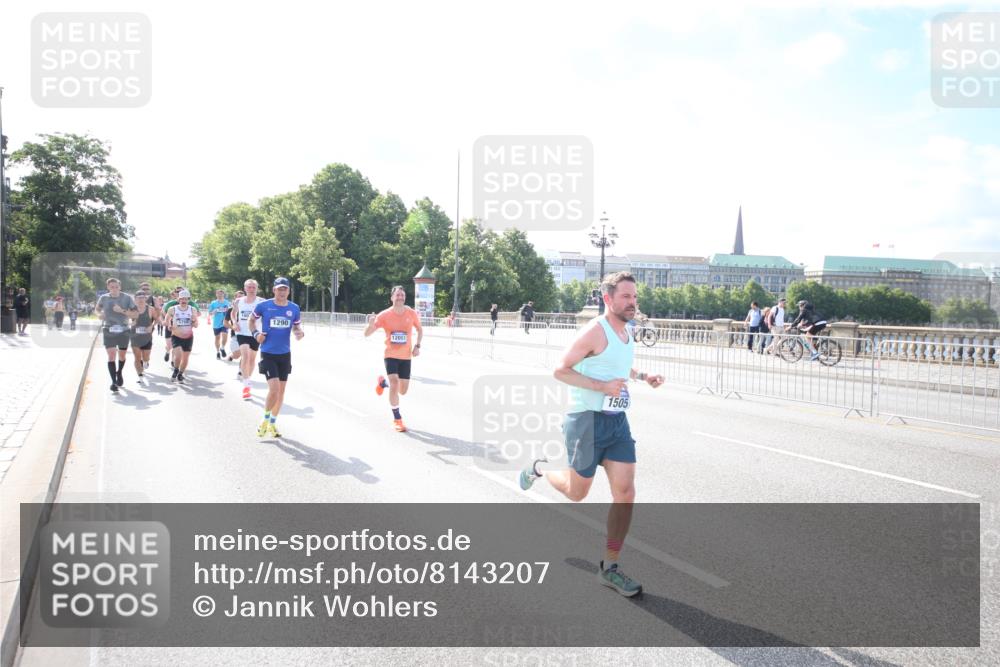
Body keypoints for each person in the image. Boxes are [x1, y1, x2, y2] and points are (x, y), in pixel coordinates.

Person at [518, 272, 664, 597]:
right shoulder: (593, 331)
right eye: (626, 297)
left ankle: (609, 568)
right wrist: (600, 387)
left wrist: (643, 375)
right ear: (608, 299)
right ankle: (540, 467)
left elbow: (615, 368)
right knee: (576, 493)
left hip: (616, 422)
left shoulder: (628, 331)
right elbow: (560, 369)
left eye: (635, 296)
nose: (633, 302)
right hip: (585, 421)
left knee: (625, 493)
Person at [249, 277, 303, 438]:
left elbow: (296, 325)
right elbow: (251, 321)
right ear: (274, 290)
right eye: (279, 289)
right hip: (268, 352)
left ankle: (272, 423)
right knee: (274, 389)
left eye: (284, 289)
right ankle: (264, 420)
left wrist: (298, 332)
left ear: (288, 291)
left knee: (281, 392)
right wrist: (256, 334)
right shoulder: (264, 306)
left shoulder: (294, 308)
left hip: (285, 354)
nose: (282, 291)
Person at [364, 285, 423, 433]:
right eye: (397, 295)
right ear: (391, 298)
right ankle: (397, 419)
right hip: (390, 355)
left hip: (406, 356)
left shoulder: (411, 313)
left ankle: (383, 384)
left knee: (402, 391)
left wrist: (417, 346)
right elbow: (367, 334)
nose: (400, 297)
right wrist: (370, 325)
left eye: (402, 295)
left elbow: (420, 329)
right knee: (395, 382)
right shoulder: (384, 315)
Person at [95, 278, 138, 393]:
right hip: (108, 329)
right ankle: (113, 381)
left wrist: (122, 311)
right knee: (111, 355)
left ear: (120, 287)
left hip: (124, 330)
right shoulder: (103, 298)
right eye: (111, 287)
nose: (114, 289)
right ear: (108, 287)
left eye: (116, 287)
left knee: (122, 355)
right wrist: (99, 315)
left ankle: (119, 372)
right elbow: (97, 309)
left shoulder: (127, 298)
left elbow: (135, 314)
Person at [233, 279, 267, 399]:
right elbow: (233, 313)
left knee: (252, 360)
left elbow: (267, 316)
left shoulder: (261, 301)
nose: (251, 289)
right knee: (246, 356)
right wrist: (235, 322)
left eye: (254, 287)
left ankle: (247, 379)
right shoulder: (238, 301)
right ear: (245, 288)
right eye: (249, 287)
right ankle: (246, 385)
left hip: (255, 333)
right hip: (242, 332)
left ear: (257, 288)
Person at [164, 289, 199, 383]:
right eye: (182, 299)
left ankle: (180, 374)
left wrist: (193, 320)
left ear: (189, 300)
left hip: (188, 337)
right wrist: (169, 325)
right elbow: (167, 319)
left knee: (185, 358)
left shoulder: (192, 309)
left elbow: (196, 325)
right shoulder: (173, 309)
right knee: (178, 356)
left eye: (186, 299)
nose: (183, 301)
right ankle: (176, 369)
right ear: (178, 299)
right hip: (176, 336)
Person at [130, 293, 156, 382]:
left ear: (145, 299)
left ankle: (145, 362)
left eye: (143, 298)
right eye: (139, 298)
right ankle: (140, 376)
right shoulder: (131, 309)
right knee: (137, 358)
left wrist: (152, 326)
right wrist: (131, 324)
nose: (141, 300)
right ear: (135, 299)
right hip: (135, 337)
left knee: (146, 357)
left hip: (147, 337)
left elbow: (157, 319)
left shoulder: (150, 309)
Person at [208, 289, 232, 359]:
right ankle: (218, 351)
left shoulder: (227, 302)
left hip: (225, 322)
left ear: (223, 294)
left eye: (221, 294)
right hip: (216, 323)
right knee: (217, 338)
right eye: (218, 294)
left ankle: (222, 348)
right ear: (216, 294)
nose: (220, 295)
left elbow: (231, 311)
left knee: (225, 336)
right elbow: (209, 313)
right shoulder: (213, 303)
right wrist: (213, 312)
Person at [224, 290, 244, 365]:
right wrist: (233, 327)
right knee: (237, 355)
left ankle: (241, 371)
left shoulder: (248, 308)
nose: (240, 299)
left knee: (245, 353)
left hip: (247, 335)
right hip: (235, 335)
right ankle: (232, 356)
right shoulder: (230, 310)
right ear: (235, 298)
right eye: (238, 297)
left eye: (242, 297)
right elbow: (225, 323)